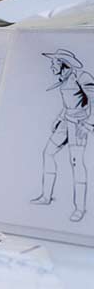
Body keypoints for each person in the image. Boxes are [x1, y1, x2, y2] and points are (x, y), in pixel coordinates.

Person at [31, 48, 94, 222]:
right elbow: (69, 103)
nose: (52, 66)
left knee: (76, 163)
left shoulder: (82, 77)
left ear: (63, 64)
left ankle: (79, 208)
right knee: (48, 153)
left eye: (54, 62)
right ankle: (46, 196)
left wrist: (89, 124)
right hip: (66, 121)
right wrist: (59, 118)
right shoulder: (64, 79)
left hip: (79, 125)